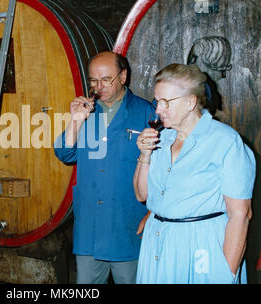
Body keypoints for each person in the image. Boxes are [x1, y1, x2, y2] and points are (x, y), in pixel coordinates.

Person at [133, 63, 256, 284]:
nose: (158, 110)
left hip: (201, 248)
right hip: (158, 244)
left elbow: (240, 215)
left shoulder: (225, 142)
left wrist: (225, 274)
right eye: (156, 101)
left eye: (165, 102)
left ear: (191, 102)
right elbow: (142, 196)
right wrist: (145, 155)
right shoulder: (163, 138)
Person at [54, 51, 154, 284]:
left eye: (106, 79)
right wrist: (76, 120)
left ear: (123, 76)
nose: (99, 87)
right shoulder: (86, 111)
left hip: (128, 223)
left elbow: (164, 170)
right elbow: (64, 153)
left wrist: (153, 211)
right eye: (93, 80)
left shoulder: (145, 112)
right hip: (91, 224)